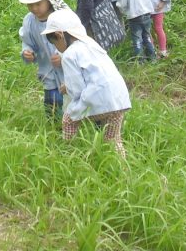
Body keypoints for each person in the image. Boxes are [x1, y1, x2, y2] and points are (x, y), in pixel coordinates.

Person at [41, 9, 132, 157]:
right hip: (119, 99)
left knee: (68, 119)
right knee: (113, 139)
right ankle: (123, 167)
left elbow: (77, 90)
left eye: (53, 42)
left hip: (98, 98)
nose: (56, 48)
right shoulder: (90, 43)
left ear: (59, 35)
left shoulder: (69, 54)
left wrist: (66, 88)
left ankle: (69, 155)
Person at [18, 0, 69, 116]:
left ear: (49, 0)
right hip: (48, 71)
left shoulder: (63, 17)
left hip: (69, 72)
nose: (34, 8)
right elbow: (28, 42)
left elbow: (77, 42)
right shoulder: (29, 21)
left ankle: (71, 130)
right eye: (30, 5)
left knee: (70, 104)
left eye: (38, 4)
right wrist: (27, 52)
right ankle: (54, 129)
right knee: (52, 102)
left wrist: (64, 56)